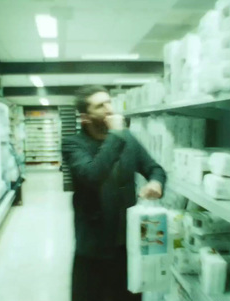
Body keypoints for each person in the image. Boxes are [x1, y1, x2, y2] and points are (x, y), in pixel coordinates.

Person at [62, 85, 167, 301]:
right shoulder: (73, 145)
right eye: (101, 105)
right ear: (85, 117)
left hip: (126, 248)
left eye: (109, 102)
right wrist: (117, 134)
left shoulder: (128, 140)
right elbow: (93, 175)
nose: (110, 109)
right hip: (93, 251)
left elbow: (154, 168)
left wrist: (156, 183)